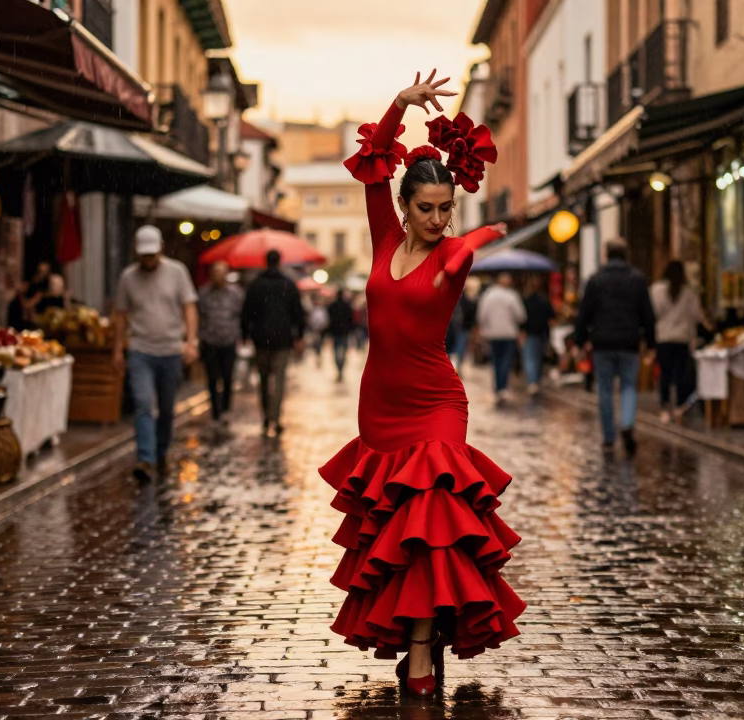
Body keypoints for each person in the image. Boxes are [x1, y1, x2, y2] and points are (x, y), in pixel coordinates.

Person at [319, 70, 522, 698]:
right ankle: (414, 635)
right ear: (405, 207)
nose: (437, 219)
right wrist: (398, 106)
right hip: (380, 403)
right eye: (426, 209)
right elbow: (375, 163)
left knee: (434, 521)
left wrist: (471, 243)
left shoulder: (450, 252)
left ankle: (422, 651)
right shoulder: (383, 237)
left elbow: (480, 240)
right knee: (394, 534)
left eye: (445, 210)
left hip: (437, 403)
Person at [112, 226, 199, 481]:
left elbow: (189, 308)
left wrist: (191, 342)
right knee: (142, 403)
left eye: (152, 255)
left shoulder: (177, 272)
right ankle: (146, 458)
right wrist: (118, 349)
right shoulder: (128, 277)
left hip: (171, 350)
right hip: (141, 350)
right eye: (143, 256)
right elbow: (120, 314)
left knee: (167, 408)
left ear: (160, 248)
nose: (148, 260)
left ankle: (161, 450)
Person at [574, 238, 656, 455]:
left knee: (605, 388)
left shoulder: (596, 280)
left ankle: (609, 436)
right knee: (629, 386)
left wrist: (580, 341)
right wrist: (651, 342)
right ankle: (627, 424)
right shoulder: (637, 279)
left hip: (602, 342)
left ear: (606, 255)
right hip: (629, 341)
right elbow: (647, 314)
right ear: (626, 255)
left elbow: (584, 313)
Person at [240, 249, 306, 438]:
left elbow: (246, 312)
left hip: (260, 339)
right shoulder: (288, 284)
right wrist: (299, 335)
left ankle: (265, 416)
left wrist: (245, 333)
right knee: (279, 381)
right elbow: (298, 313)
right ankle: (274, 418)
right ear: (279, 262)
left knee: (263, 379)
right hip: (283, 340)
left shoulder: (255, 285)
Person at [651, 260, 710, 423]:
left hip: (663, 337)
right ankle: (679, 408)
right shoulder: (689, 293)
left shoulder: (657, 290)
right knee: (680, 374)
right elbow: (697, 315)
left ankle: (664, 409)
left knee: (664, 374)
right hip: (682, 338)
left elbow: (653, 313)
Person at [197, 260, 243, 429]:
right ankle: (215, 412)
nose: (218, 276)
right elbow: (199, 315)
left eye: (221, 272)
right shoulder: (203, 293)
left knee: (228, 377)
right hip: (210, 341)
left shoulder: (235, 293)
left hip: (228, 340)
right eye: (215, 272)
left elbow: (240, 314)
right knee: (211, 378)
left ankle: (225, 409)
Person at [476, 273, 526, 402]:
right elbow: (521, 316)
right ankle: (502, 387)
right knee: (506, 360)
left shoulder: (488, 295)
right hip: (509, 333)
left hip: (493, 333)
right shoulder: (512, 296)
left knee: (496, 360)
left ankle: (498, 387)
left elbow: (481, 315)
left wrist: (486, 327)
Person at [521, 276, 556, 395]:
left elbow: (521, 319)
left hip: (531, 333)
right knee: (538, 358)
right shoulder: (545, 301)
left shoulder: (526, 301)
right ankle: (536, 380)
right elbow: (552, 318)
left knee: (530, 358)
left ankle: (532, 382)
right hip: (543, 333)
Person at [327, 290, 355, 382]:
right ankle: (341, 369)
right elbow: (351, 320)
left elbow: (329, 319)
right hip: (344, 332)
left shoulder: (332, 306)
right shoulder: (347, 307)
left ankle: (339, 368)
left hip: (335, 332)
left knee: (336, 352)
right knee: (343, 351)